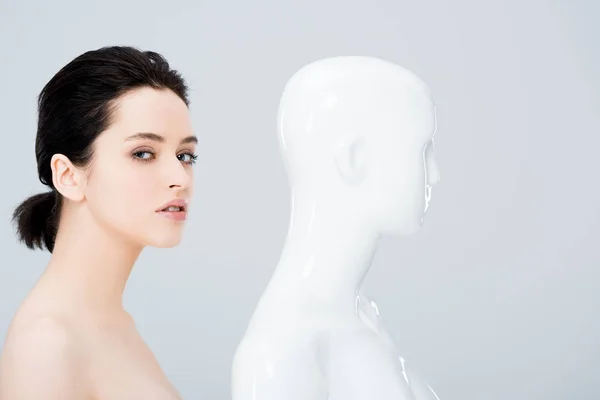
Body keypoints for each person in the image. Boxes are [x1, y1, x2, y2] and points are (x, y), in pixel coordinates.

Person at [231, 56, 441, 400]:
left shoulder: (361, 317)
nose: (435, 174)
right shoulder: (281, 355)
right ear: (354, 160)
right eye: (422, 150)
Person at [0, 46, 196, 399]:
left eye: (185, 155)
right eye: (143, 153)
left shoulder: (114, 323)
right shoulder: (47, 344)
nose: (179, 177)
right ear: (68, 175)